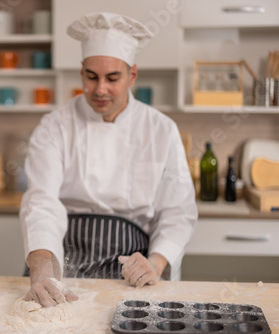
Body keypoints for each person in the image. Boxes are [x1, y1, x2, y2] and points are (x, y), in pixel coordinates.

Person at [19, 12, 198, 308]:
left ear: (132, 75)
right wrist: (41, 272)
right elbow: (41, 202)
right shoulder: (54, 125)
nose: (100, 89)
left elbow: (178, 212)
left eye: (112, 78)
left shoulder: (161, 129)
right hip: (62, 258)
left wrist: (155, 262)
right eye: (91, 77)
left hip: (131, 264)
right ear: (81, 72)